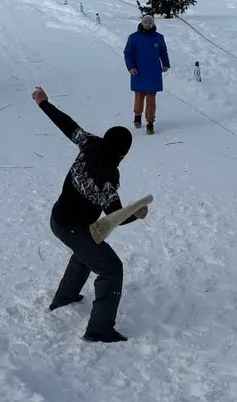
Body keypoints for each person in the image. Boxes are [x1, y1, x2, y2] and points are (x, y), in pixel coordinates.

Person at [32, 86, 149, 343]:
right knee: (111, 268)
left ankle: (66, 297)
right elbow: (115, 215)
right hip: (72, 227)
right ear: (124, 153)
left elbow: (67, 125)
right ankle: (99, 329)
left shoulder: (90, 143)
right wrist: (137, 213)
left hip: (59, 218)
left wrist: (44, 103)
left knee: (87, 249)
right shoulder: (108, 177)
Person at [124, 14, 170, 134]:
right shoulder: (133, 38)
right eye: (146, 22)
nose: (148, 25)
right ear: (142, 23)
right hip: (138, 72)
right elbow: (128, 53)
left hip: (154, 72)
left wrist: (165, 64)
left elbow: (163, 52)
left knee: (151, 98)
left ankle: (150, 122)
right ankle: (137, 115)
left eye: (150, 23)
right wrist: (131, 67)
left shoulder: (159, 38)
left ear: (153, 24)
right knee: (139, 96)